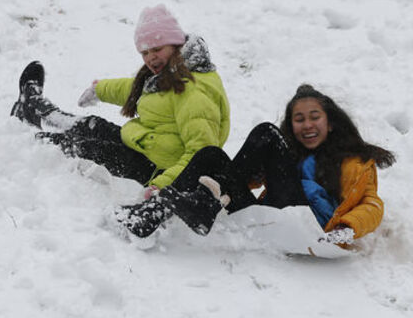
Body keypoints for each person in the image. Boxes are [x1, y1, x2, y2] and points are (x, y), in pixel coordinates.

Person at [0, 4, 231, 193]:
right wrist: (101, 89)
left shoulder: (195, 92)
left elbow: (202, 156)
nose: (150, 58)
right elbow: (140, 92)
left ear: (176, 45)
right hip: (143, 148)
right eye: (145, 52)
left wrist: (161, 186)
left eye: (157, 49)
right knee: (91, 125)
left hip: (154, 169)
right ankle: (34, 108)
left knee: (62, 145)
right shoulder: (174, 75)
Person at [116, 84, 395, 245]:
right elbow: (245, 176)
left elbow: (372, 205)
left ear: (330, 122)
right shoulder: (290, 156)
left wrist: (346, 228)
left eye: (315, 117)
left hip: (310, 225)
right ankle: (149, 215)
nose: (307, 125)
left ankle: (206, 204)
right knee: (210, 155)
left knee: (266, 132)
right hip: (272, 215)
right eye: (299, 119)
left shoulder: (356, 161)